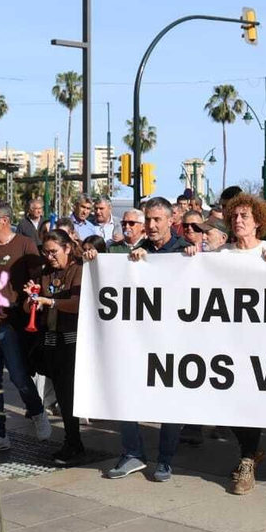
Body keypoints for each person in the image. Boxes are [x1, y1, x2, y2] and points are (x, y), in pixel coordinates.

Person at [107, 196, 189, 482]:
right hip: (141, 339)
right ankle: (133, 453)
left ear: (170, 221)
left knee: (170, 400)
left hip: (175, 340)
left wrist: (193, 260)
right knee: (126, 392)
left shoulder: (185, 251)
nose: (151, 225)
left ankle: (165, 460)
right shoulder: (136, 252)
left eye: (157, 220)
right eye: (148, 220)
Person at [0, 201, 52, 453]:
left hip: (12, 324)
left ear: (4, 220)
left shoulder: (25, 244)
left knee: (19, 377)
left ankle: (37, 412)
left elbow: (38, 281)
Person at [215, 192, 266, 494]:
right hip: (226, 341)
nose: (238, 221)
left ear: (258, 222)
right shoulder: (221, 254)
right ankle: (251, 452)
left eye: (245, 216)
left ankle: (246, 461)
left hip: (260, 342)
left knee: (248, 401)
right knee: (224, 404)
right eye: (235, 216)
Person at [28, 232, 86, 464]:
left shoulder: (79, 269)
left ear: (68, 248)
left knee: (69, 395)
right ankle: (72, 441)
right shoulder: (45, 273)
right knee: (62, 395)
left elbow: (77, 303)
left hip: (72, 339)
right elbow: (30, 306)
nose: (50, 256)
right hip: (50, 339)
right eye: (46, 252)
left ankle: (74, 443)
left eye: (54, 251)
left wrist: (50, 302)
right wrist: (31, 298)